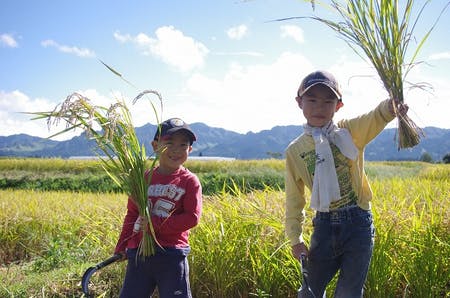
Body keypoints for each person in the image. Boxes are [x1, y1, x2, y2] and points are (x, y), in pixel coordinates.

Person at [285, 70, 407, 298]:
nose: (319, 107)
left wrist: (391, 108)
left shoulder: (349, 131)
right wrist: (295, 239)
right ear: (299, 102)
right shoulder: (295, 151)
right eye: (312, 100)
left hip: (358, 225)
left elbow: (375, 117)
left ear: (338, 106)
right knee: (309, 291)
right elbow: (294, 199)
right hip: (324, 226)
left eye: (327, 101)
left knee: (348, 293)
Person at [115, 117, 202, 298]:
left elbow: (192, 218)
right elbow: (132, 214)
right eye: (169, 143)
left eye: (183, 145)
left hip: (171, 254)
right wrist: (123, 244)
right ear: (155, 146)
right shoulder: (142, 178)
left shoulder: (189, 181)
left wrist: (154, 224)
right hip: (139, 254)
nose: (176, 150)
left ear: (190, 150)